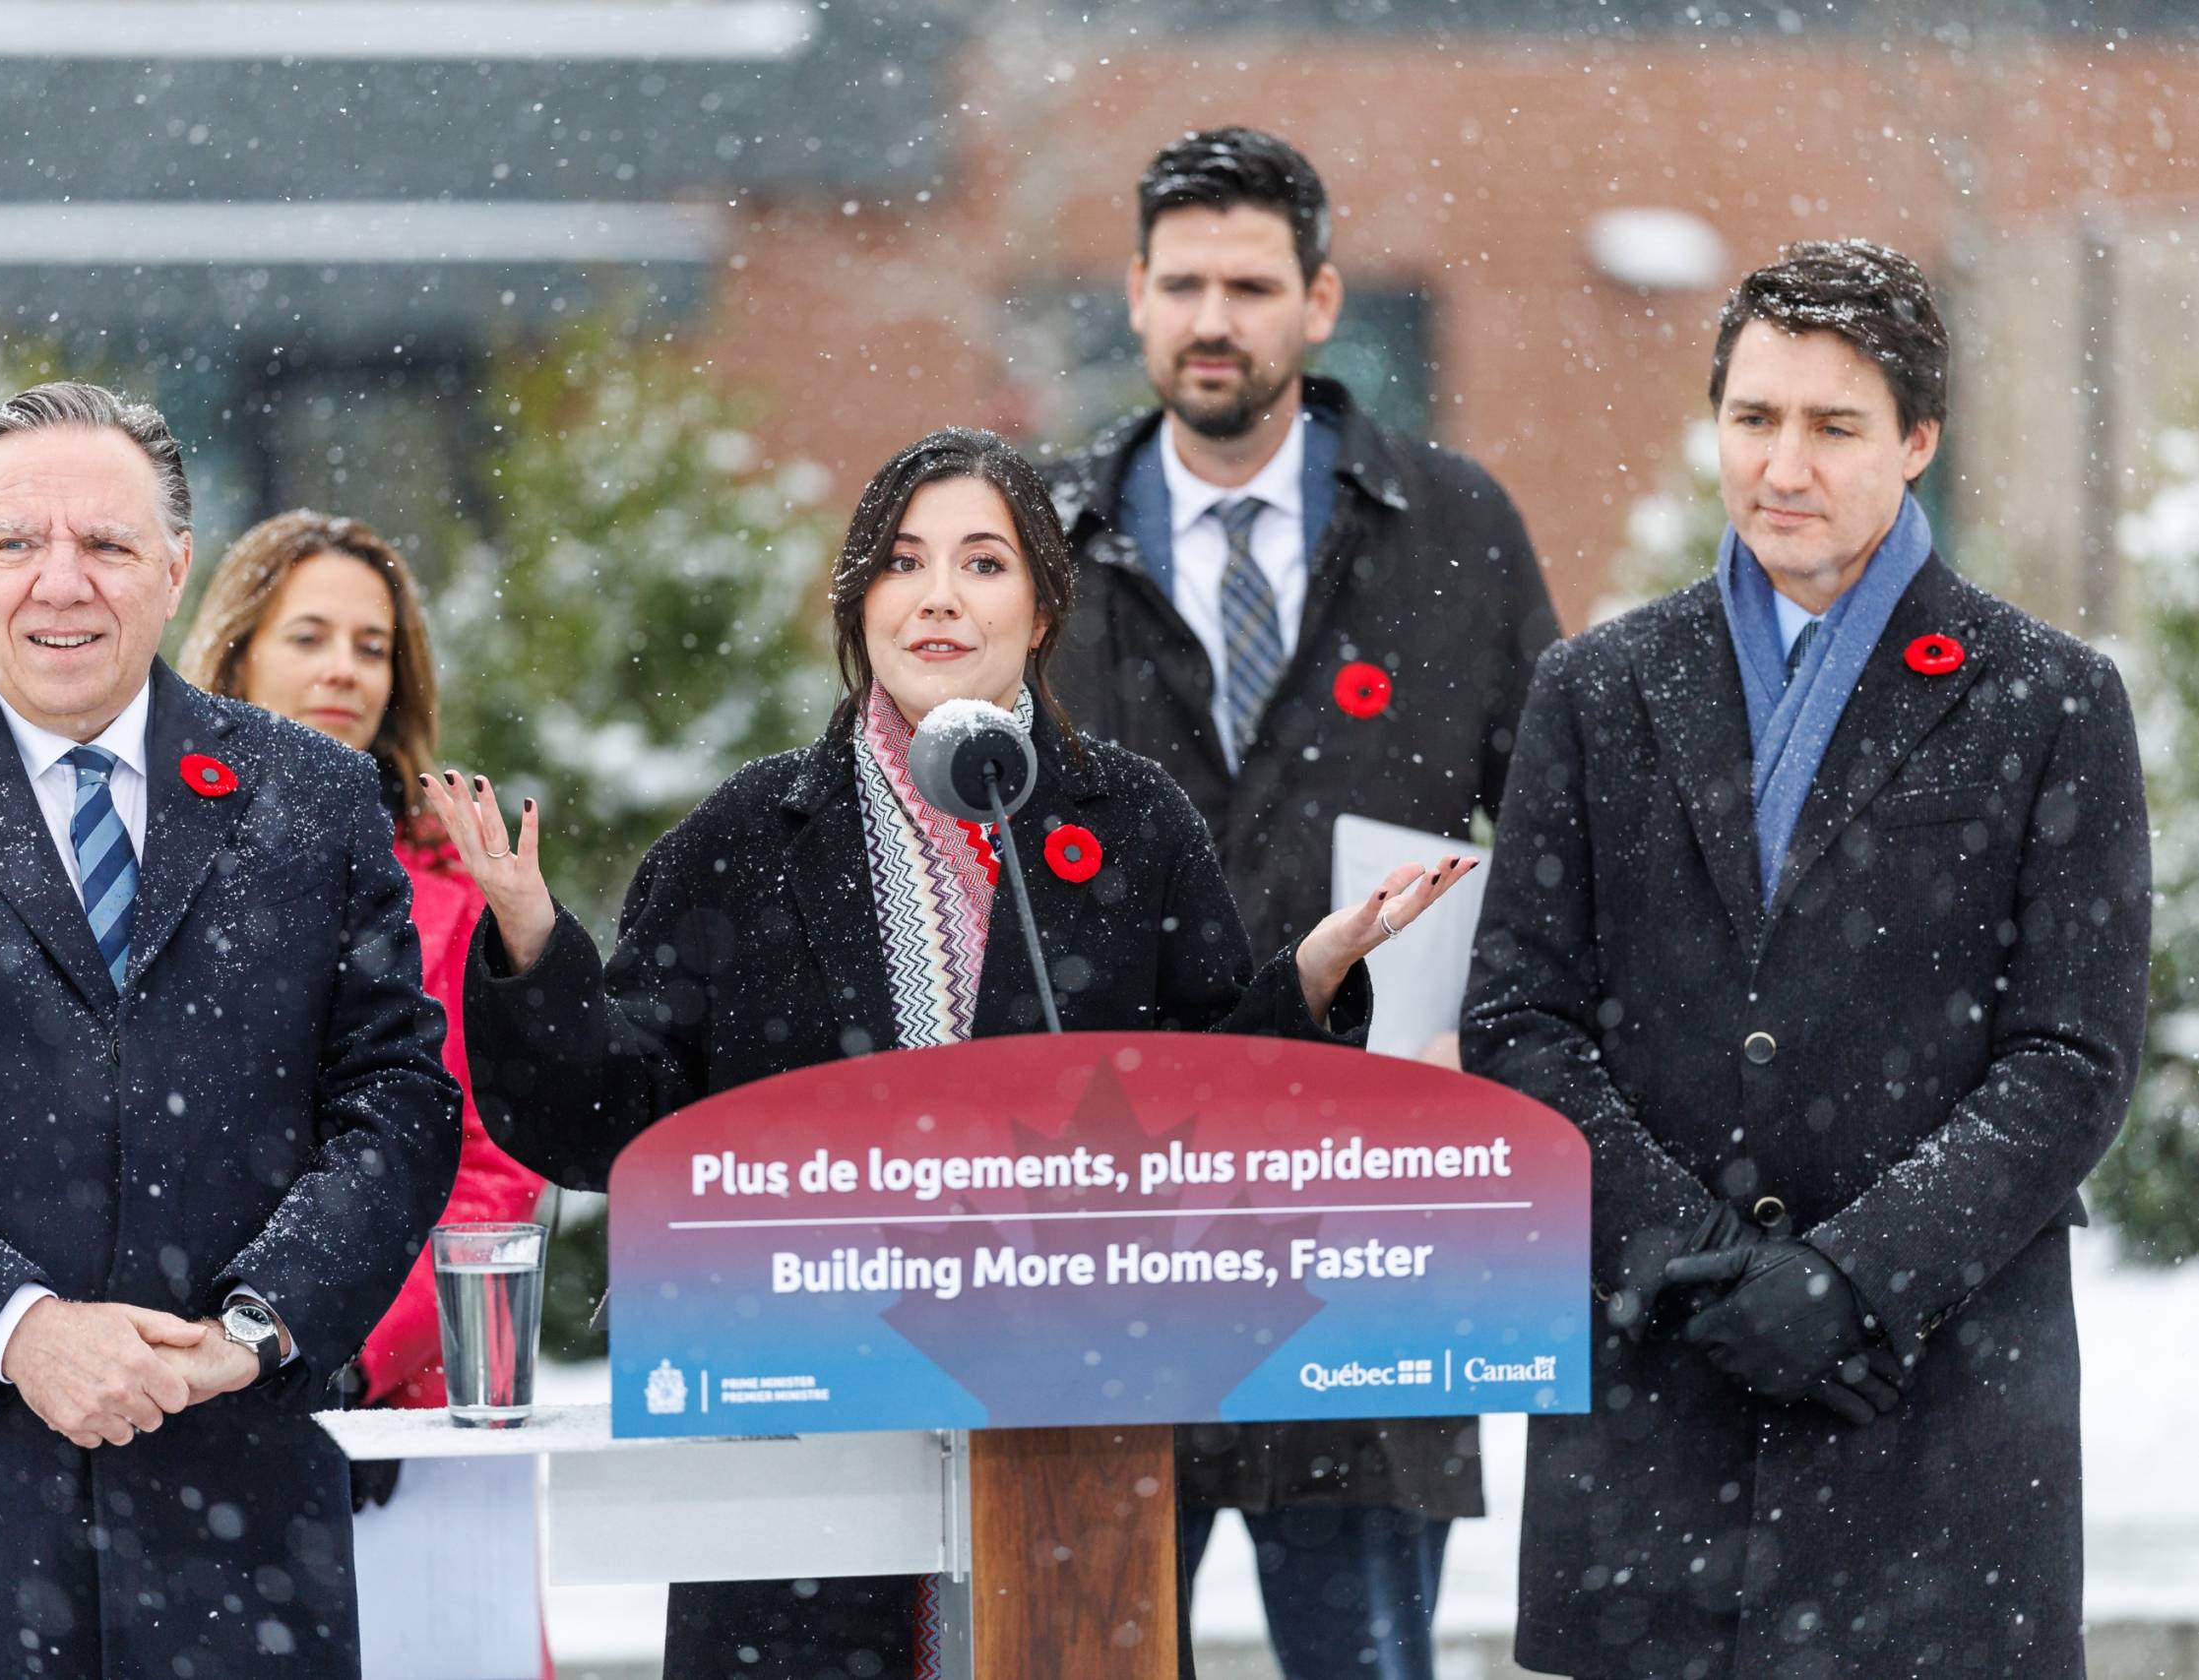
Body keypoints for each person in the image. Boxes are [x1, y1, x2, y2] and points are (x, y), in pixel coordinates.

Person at [432, 426, 1477, 1680]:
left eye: (982, 563)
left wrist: (1306, 983)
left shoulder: (1132, 825)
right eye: (902, 562)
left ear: (1040, 608)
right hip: (797, 1473)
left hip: (1063, 1470)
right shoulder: (747, 840)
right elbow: (616, 1126)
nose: (938, 596)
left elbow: (1210, 1125)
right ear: (857, 602)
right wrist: (534, 946)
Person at [1464, 241, 2150, 1679]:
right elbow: (1520, 1012)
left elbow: (2071, 1053)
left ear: (1915, 440)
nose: (1785, 463)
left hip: (1933, 1397)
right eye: (1753, 417)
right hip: (1661, 1386)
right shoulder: (1594, 689)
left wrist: (1854, 1274)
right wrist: (1689, 1253)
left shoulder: (2048, 698)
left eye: (1833, 425)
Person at [0, 382, 463, 1678]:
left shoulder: (312, 796)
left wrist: (255, 1326)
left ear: (176, 567)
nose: (62, 579)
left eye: (108, 544)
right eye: (17, 541)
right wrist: (23, 1324)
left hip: (244, 1539)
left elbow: (397, 1099)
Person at [1044, 124, 1560, 1680]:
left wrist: (1497, 1040)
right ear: (1133, 297)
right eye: (1183, 281)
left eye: (1251, 283)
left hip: (1373, 1213)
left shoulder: (1456, 531)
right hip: (1088, 1214)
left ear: (1321, 299)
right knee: (1091, 1647)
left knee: (1365, 1651)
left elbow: (1556, 838)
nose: (1215, 317)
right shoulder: (1033, 551)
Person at [179, 509, 553, 1677]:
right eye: (310, 635)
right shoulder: (142, 861)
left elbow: (491, 1164)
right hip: (184, 1397)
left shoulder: (454, 887)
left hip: (412, 1412)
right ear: (236, 648)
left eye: (372, 643)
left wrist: (339, 1344)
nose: (344, 666)